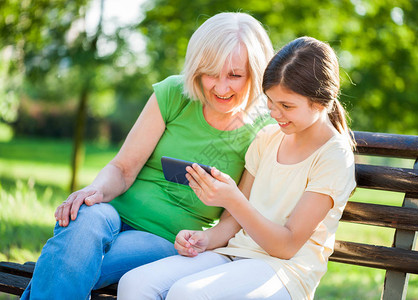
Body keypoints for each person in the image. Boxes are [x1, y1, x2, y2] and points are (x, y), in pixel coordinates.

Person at [21, 12, 274, 300]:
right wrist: (95, 190)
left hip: (164, 239)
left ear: (256, 72)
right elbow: (123, 168)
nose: (221, 86)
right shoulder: (174, 94)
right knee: (84, 220)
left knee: (72, 261)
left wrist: (203, 240)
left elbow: (233, 219)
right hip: (112, 210)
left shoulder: (262, 134)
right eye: (211, 73)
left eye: (235, 75)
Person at [117, 36, 357, 300]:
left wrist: (232, 198)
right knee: (135, 283)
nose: (275, 113)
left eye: (286, 106)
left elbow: (287, 246)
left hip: (285, 272)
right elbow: (232, 222)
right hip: (235, 254)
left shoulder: (333, 157)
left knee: (188, 294)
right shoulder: (268, 138)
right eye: (270, 102)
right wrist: (205, 239)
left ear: (322, 102)